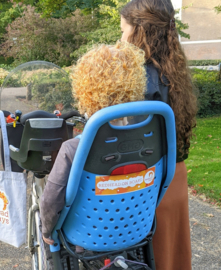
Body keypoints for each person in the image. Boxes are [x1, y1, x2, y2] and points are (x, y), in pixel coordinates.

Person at [40, 41, 147, 246]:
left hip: (86, 236)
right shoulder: (147, 143)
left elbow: (51, 201)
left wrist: (47, 231)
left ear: (85, 90)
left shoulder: (73, 149)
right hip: (136, 228)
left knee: (50, 234)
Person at [120, 1, 197, 270]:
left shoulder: (141, 78)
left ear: (139, 31)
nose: (121, 38)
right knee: (174, 256)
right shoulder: (172, 71)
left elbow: (136, 147)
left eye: (123, 30)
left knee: (155, 258)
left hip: (152, 186)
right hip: (175, 175)